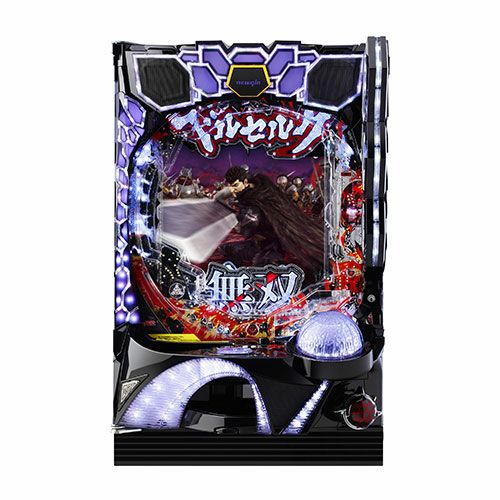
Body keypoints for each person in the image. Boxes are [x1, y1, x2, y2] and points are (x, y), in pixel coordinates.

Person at [221, 166, 324, 277]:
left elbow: (249, 224)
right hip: (258, 242)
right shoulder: (251, 194)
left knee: (264, 269)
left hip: (272, 244)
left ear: (245, 182)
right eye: (230, 186)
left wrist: (239, 218)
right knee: (226, 249)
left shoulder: (260, 195)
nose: (232, 189)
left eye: (235, 185)